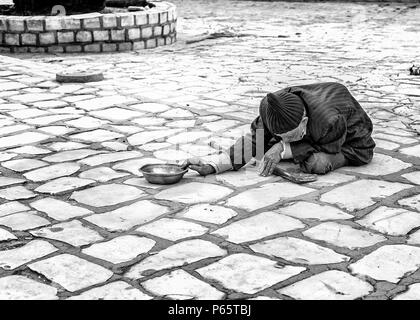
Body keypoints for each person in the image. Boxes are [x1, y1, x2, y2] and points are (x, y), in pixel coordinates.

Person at [182, 82, 375, 177]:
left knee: (317, 163)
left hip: (348, 144)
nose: (288, 140)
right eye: (283, 138)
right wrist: (213, 166)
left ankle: (285, 149)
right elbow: (255, 140)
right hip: (314, 134)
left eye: (292, 136)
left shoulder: (330, 120)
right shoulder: (272, 109)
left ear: (304, 121)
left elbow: (329, 146)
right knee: (260, 149)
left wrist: (282, 148)